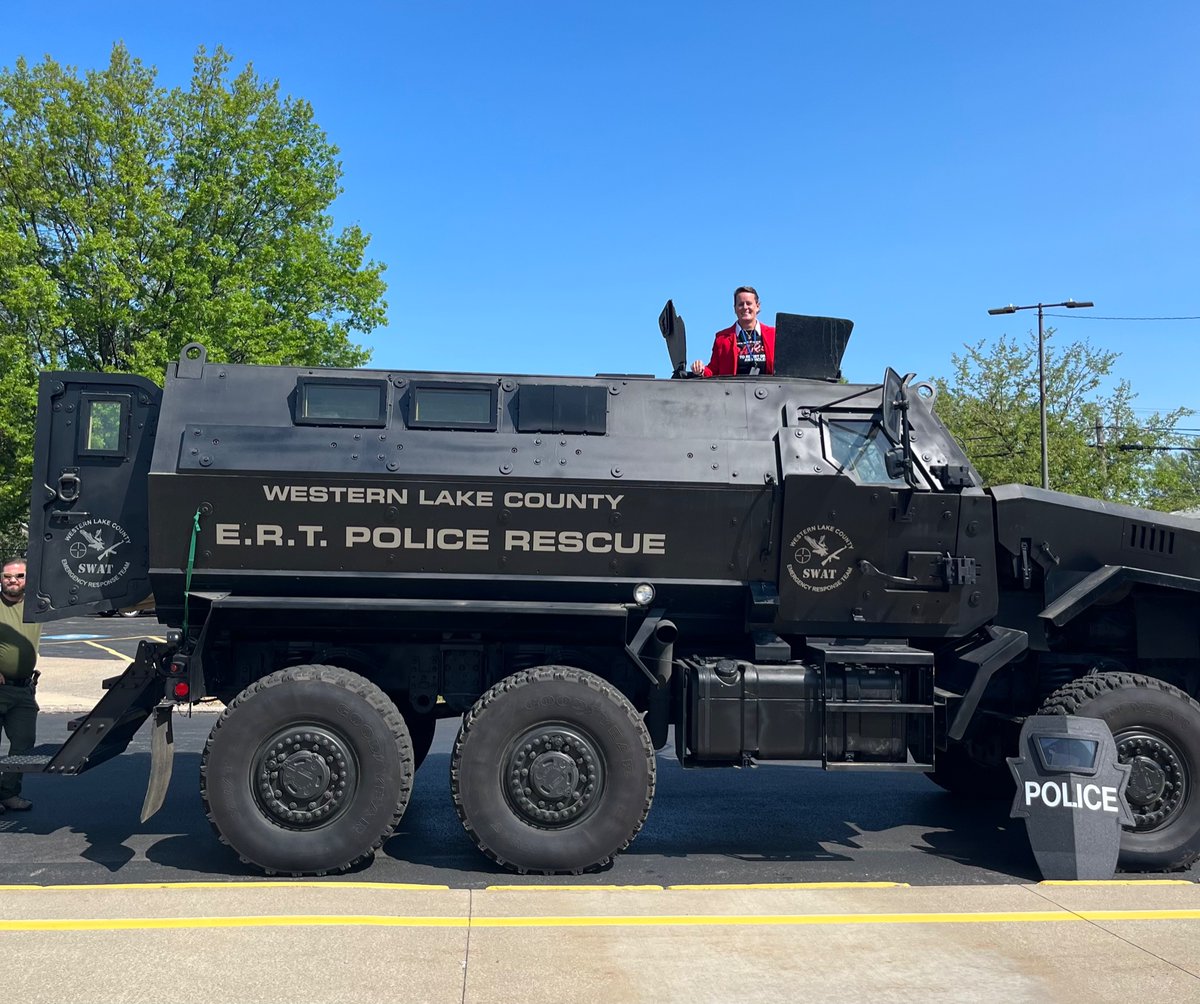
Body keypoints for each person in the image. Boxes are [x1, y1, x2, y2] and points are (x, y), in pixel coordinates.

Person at [0, 558, 40, 813]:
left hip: (24, 689)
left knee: (23, 744)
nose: (13, 580)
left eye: (19, 576)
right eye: (7, 576)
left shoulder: (36, 606)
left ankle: (8, 794)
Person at [691, 286, 777, 377]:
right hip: (733, 390)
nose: (745, 307)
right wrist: (701, 370)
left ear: (757, 307)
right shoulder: (722, 338)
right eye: (740, 304)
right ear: (735, 308)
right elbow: (713, 370)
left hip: (768, 390)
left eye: (749, 303)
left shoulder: (774, 335)